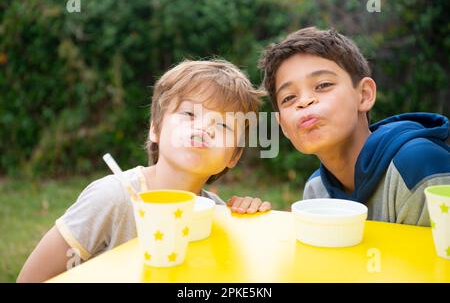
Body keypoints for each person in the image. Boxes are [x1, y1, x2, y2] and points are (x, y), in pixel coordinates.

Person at [17, 59, 271, 282]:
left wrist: (245, 219)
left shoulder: (215, 214)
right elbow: (32, 279)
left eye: (224, 125)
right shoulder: (112, 198)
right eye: (189, 113)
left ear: (233, 156)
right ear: (155, 130)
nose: (204, 128)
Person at [259, 26, 450, 226]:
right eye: (289, 97)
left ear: (364, 95)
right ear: (282, 126)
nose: (304, 101)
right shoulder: (316, 191)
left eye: (323, 85)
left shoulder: (419, 167)